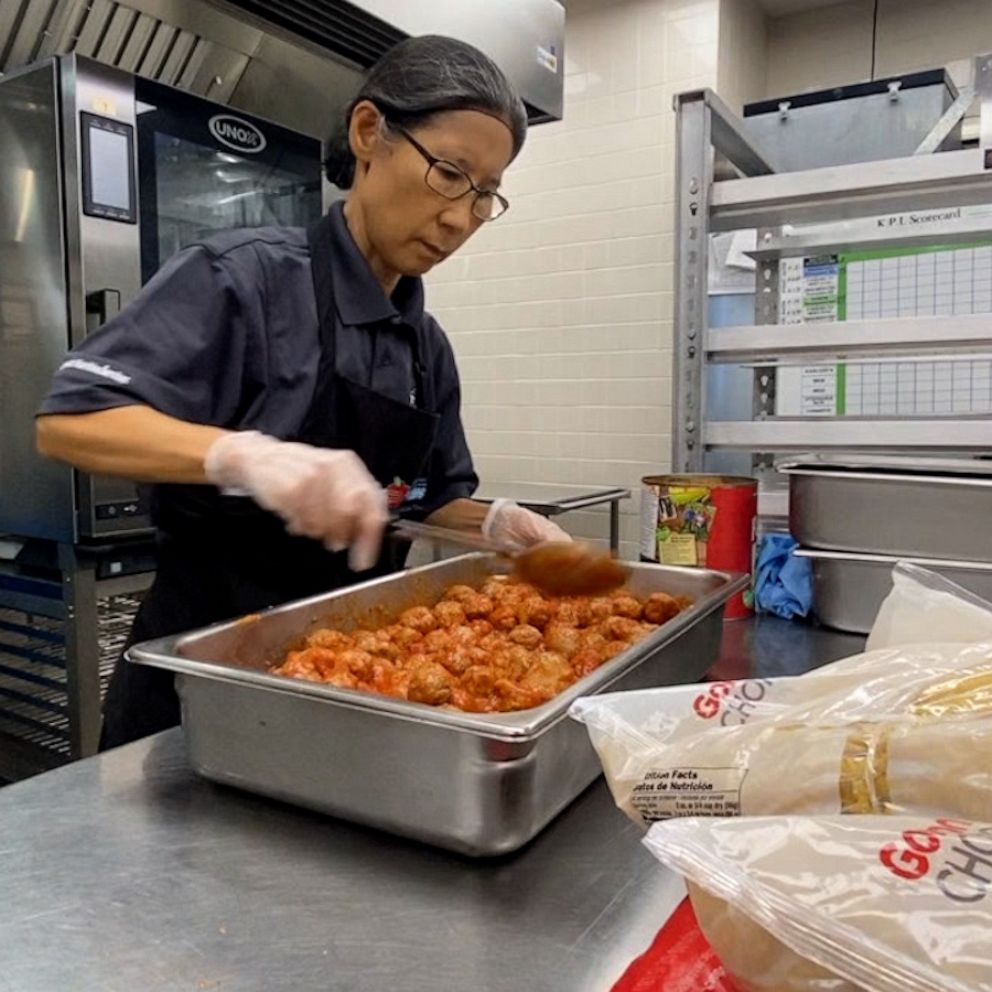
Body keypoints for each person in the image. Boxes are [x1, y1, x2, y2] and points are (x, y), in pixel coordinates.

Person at [36, 35, 568, 748]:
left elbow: (432, 498)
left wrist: (498, 523)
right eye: (449, 174)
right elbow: (72, 419)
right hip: (202, 687)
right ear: (370, 133)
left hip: (357, 683)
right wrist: (246, 457)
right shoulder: (243, 280)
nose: (459, 219)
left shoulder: (424, 345)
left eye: (485, 195)